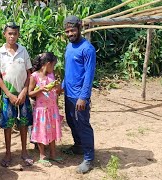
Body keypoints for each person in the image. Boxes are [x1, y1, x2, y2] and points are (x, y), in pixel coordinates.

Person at [0, 22, 34, 167]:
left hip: (22, 95)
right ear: (4, 34)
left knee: (23, 123)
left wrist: (24, 91)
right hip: (8, 95)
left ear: (18, 35)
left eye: (15, 33)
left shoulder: (23, 51)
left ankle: (24, 152)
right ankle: (8, 153)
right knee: (8, 125)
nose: (12, 36)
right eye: (9, 33)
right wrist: (8, 94)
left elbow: (29, 73)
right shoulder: (0, 53)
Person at [62, 15, 96, 173]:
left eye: (72, 30)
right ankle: (79, 146)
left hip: (79, 96)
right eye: (67, 31)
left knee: (83, 125)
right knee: (71, 121)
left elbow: (89, 75)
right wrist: (62, 86)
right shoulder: (68, 47)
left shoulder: (87, 49)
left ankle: (89, 159)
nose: (70, 34)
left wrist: (83, 97)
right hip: (68, 93)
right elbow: (68, 70)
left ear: (80, 29)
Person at [28, 52, 63, 167]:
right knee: (41, 131)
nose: (53, 68)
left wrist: (57, 87)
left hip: (52, 109)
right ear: (47, 64)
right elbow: (30, 93)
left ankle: (53, 154)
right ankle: (42, 155)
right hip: (41, 110)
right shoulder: (34, 76)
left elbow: (57, 91)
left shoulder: (51, 74)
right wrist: (41, 89)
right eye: (53, 65)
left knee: (52, 131)